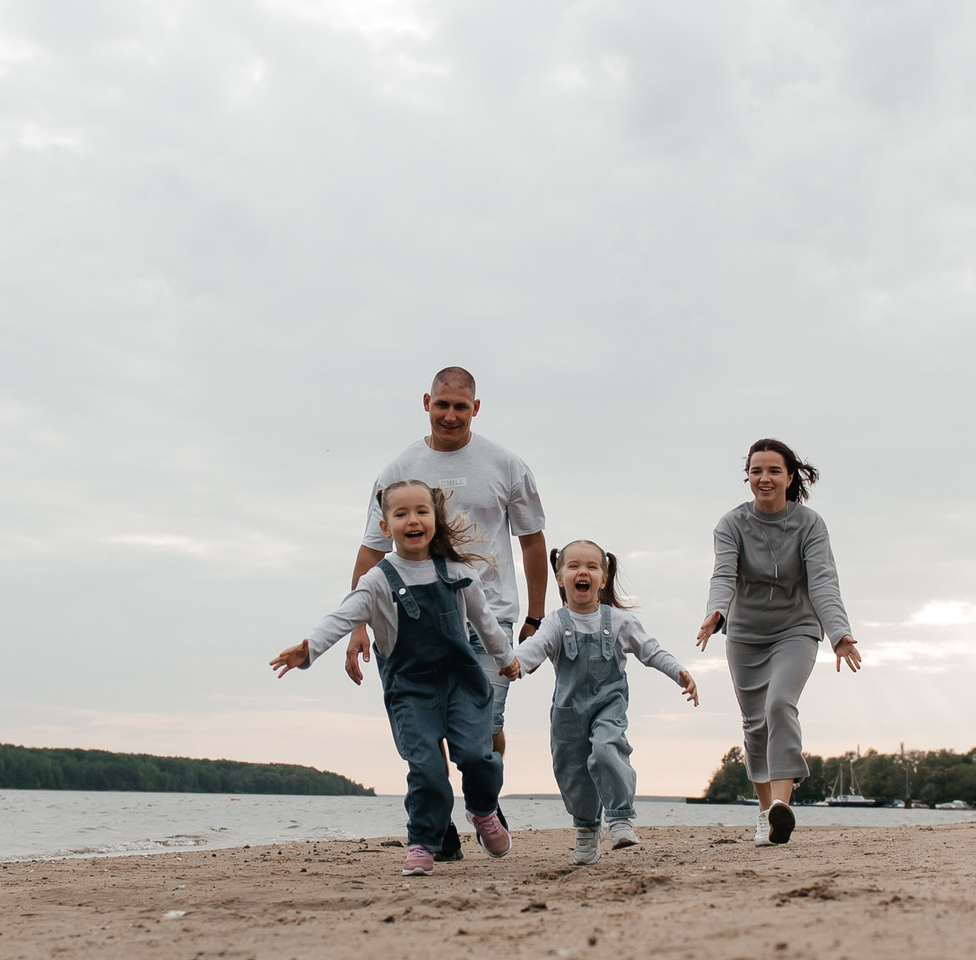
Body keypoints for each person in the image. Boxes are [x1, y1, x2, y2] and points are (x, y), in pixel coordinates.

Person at [273, 480, 516, 877]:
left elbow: (485, 622)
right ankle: (422, 842)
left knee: (477, 755)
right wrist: (309, 651)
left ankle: (483, 809)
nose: (412, 520)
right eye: (400, 514)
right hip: (410, 689)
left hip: (461, 680)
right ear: (386, 528)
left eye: (421, 511)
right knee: (426, 768)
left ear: (435, 519)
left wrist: (506, 659)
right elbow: (342, 617)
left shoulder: (458, 572)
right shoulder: (377, 581)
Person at [349, 369, 548, 803]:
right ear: (426, 403)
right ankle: (439, 823)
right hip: (418, 617)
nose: (451, 416)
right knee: (429, 727)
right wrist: (358, 626)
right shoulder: (400, 469)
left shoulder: (506, 465)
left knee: (486, 724)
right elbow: (372, 549)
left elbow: (532, 541)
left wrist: (536, 614)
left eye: (461, 407)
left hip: (490, 613)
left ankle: (484, 803)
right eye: (442, 405)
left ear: (475, 408)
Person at [694, 439, 863, 846]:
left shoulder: (809, 524)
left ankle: (780, 808)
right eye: (756, 471)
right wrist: (716, 612)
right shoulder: (731, 524)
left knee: (779, 704)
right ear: (748, 477)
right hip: (746, 633)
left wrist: (839, 634)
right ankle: (763, 813)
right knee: (755, 724)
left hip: (796, 629)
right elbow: (723, 575)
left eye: (773, 471)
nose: (764, 478)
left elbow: (823, 580)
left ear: (790, 477)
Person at [506, 540, 697, 865]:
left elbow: (650, 650)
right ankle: (586, 828)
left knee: (607, 751)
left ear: (604, 578)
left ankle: (620, 817)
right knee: (573, 774)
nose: (583, 572)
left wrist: (679, 672)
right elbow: (535, 647)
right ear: (560, 576)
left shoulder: (619, 621)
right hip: (568, 716)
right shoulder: (555, 622)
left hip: (608, 708)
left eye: (592, 567)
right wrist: (516, 664)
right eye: (574, 566)